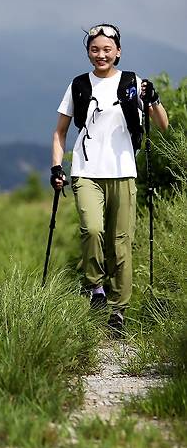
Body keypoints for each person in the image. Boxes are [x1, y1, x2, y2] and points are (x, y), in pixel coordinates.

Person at [51, 22, 169, 336]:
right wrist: (56, 167)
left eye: (107, 49)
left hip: (123, 172)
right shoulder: (78, 85)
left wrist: (154, 98)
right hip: (86, 171)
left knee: (121, 244)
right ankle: (94, 289)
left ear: (118, 51)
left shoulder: (134, 83)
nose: (101, 54)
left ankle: (118, 311)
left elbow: (163, 124)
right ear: (88, 51)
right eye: (94, 49)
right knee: (92, 230)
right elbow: (60, 132)